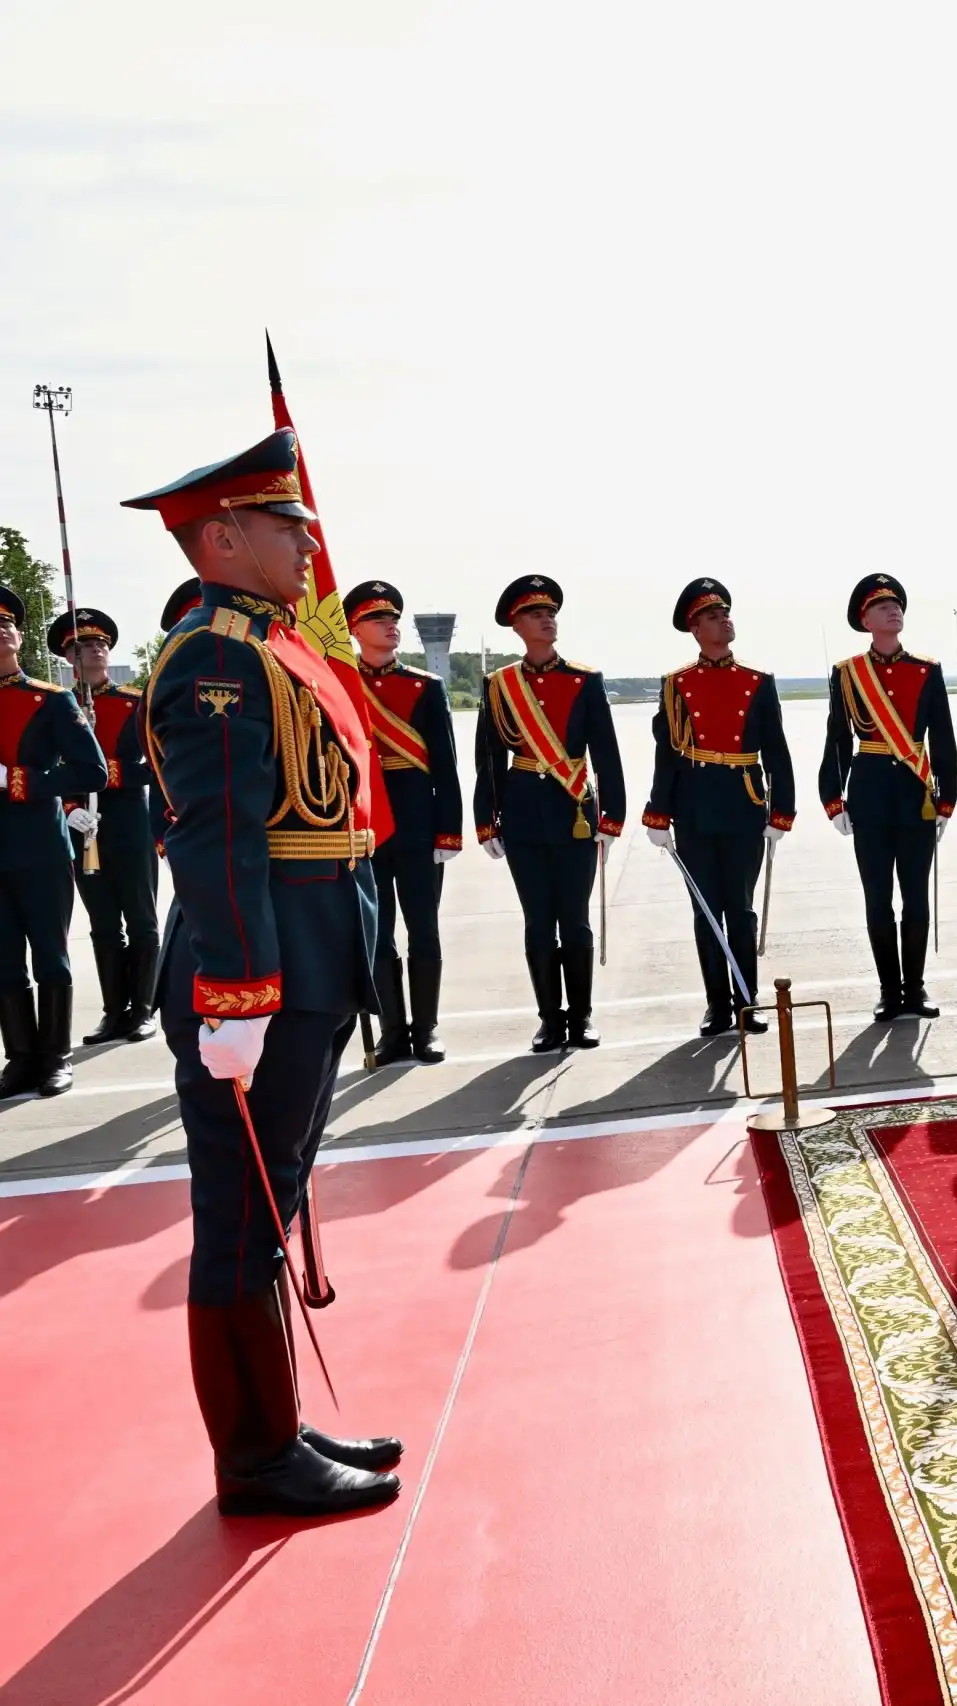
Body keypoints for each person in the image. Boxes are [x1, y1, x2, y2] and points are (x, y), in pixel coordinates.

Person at [125, 428, 400, 1516]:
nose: (307, 545)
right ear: (225, 537)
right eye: (288, 526)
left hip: (310, 958)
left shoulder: (268, 644)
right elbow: (219, 838)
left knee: (269, 1204)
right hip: (261, 976)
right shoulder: (215, 657)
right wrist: (237, 997)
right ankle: (253, 1458)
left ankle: (277, 1425)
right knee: (241, 1218)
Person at [474, 575, 625, 1052]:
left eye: (550, 612)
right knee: (538, 922)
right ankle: (549, 1020)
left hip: (575, 811)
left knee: (575, 921)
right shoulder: (499, 686)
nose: (547, 619)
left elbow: (607, 754)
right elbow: (488, 760)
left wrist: (611, 819)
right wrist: (486, 821)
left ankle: (581, 1017)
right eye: (535, 614)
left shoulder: (584, 680)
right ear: (516, 626)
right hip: (522, 813)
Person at [647, 578, 795, 1036]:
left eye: (725, 613)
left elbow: (777, 751)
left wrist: (782, 811)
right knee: (706, 911)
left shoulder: (757, 681)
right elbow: (668, 753)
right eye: (712, 616)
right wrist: (658, 812)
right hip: (694, 806)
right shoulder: (676, 684)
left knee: (741, 910)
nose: (724, 621)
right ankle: (717, 1004)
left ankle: (748, 1000)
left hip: (744, 803)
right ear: (695, 629)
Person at [821, 574, 957, 1021]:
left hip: (917, 794)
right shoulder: (848, 674)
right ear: (865, 620)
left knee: (916, 897)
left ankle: (915, 988)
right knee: (877, 897)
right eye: (882, 606)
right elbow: (838, 740)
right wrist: (833, 798)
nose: (893, 610)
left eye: (897, 604)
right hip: (870, 792)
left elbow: (942, 738)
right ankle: (889, 990)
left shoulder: (926, 670)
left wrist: (947, 799)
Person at [344, 582, 463, 1064]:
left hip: (417, 824)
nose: (391, 626)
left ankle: (426, 1028)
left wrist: (448, 830)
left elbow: (446, 766)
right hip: (366, 826)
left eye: (394, 618)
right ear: (354, 629)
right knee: (377, 935)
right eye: (379, 619)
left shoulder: (424, 686)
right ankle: (392, 1031)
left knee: (424, 931)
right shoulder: (341, 686)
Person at [0, 590, 106, 1095]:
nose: (1, 629)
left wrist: (17, 781)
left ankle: (56, 1056)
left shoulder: (50, 699)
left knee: (50, 956)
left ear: (20, 636)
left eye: (7, 623)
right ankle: (20, 1058)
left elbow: (93, 771)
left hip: (39, 846)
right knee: (3, 959)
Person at [51, 607, 158, 1048]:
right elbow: (50, 766)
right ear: (69, 658)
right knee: (103, 922)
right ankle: (114, 1011)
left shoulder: (133, 703)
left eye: (100, 643)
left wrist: (105, 774)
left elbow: (155, 764)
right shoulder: (59, 705)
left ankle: (144, 1009)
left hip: (129, 819)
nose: (95, 650)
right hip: (83, 824)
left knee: (141, 918)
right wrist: (69, 806)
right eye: (84, 646)